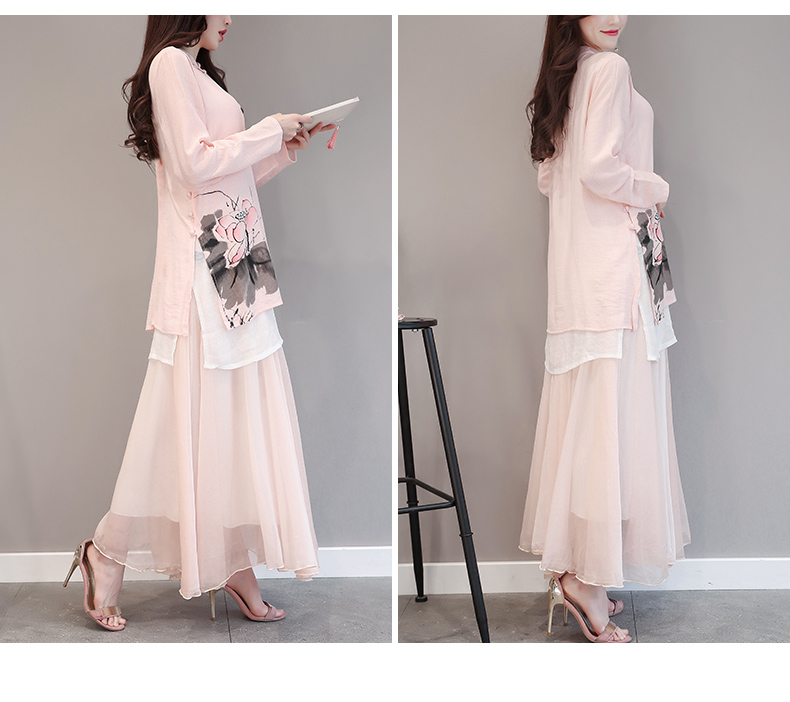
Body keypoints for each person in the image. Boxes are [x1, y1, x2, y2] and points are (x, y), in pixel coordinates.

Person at [63, 15, 335, 632]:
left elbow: (223, 179)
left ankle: (229, 560)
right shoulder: (169, 65)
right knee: (184, 412)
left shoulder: (196, 71)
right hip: (201, 265)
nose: (230, 17)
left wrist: (283, 146)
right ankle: (108, 553)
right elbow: (191, 166)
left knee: (230, 413)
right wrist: (268, 130)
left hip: (234, 257)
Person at [518, 15, 690, 643]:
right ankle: (584, 580)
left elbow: (551, 177)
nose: (615, 15)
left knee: (587, 424)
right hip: (614, 270)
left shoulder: (563, 79)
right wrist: (653, 185)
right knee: (612, 424)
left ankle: (576, 567)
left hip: (574, 276)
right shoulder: (611, 69)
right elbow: (598, 168)